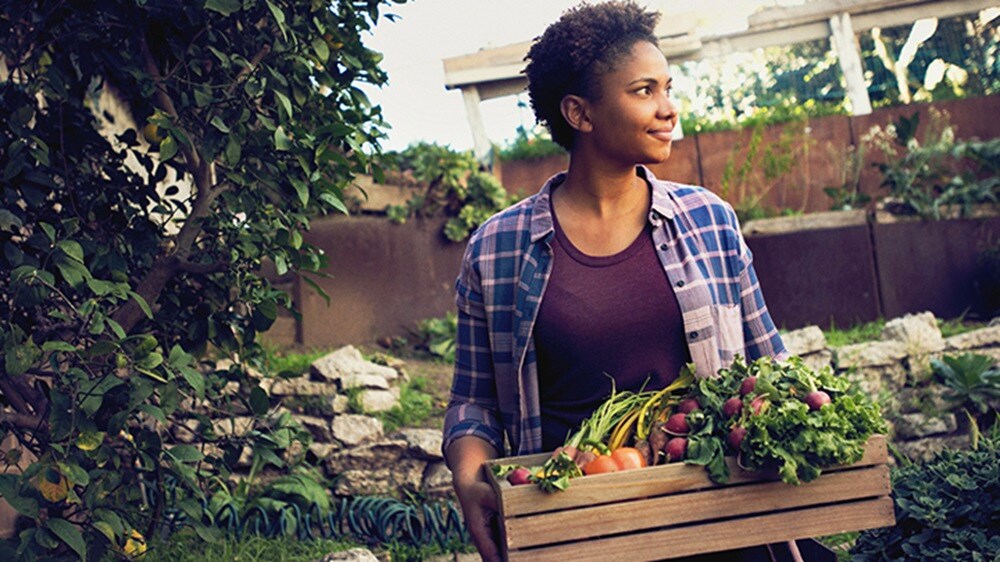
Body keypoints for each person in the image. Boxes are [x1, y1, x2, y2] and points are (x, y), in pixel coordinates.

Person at [442, 2, 789, 560]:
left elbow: (769, 366)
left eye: (667, 88)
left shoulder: (709, 220)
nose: (669, 110)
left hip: (713, 514)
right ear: (580, 113)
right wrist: (467, 474)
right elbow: (473, 403)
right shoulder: (497, 248)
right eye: (644, 91)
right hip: (573, 524)